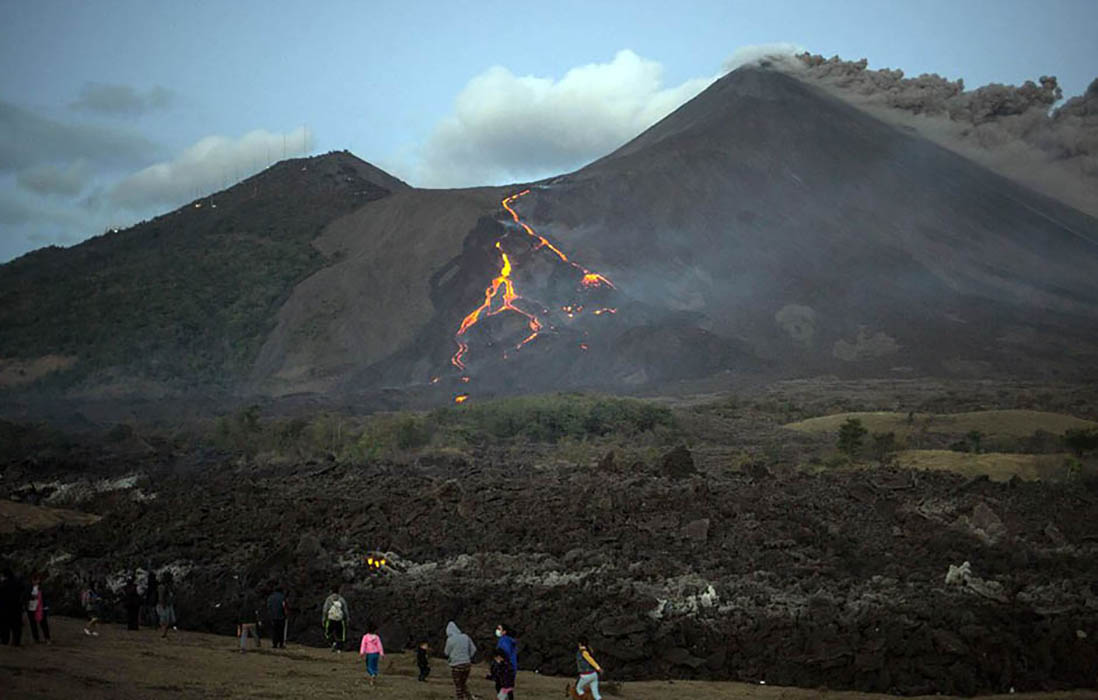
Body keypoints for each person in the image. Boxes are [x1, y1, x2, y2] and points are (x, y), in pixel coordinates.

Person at [445, 620, 477, 700]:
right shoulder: (465, 637)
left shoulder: (450, 640)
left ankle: (461, 698)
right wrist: (468, 657)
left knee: (458, 685)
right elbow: (474, 649)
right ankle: (469, 697)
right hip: (467, 664)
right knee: (463, 683)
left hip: (456, 665)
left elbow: (446, 652)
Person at [0, 567, 26, 646]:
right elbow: (23, 589)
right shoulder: (17, 582)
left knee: (5, 626)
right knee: (16, 626)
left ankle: (5, 641)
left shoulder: (4, 584)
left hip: (5, 608)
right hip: (17, 607)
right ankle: (16, 642)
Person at [321, 585, 349, 652]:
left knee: (329, 633)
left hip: (331, 619)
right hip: (339, 620)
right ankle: (338, 647)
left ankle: (332, 643)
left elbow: (325, 610)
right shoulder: (341, 599)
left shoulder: (329, 599)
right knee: (340, 634)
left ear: (331, 591)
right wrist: (347, 619)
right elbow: (345, 610)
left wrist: (324, 618)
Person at [26, 573, 51, 643]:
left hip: (40, 607)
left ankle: (47, 638)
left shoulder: (42, 588)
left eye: (36, 580)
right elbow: (26, 596)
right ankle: (36, 638)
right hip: (31, 607)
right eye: (34, 580)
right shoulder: (29, 587)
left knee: (43, 623)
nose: (35, 581)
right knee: (33, 624)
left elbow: (46, 596)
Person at [358, 620, 384, 686]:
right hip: (376, 653)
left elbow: (363, 645)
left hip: (370, 654)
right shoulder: (377, 637)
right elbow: (379, 645)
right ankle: (375, 674)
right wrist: (381, 653)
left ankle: (372, 674)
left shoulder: (365, 637)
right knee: (375, 665)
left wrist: (361, 653)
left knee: (369, 666)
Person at [496, 623, 518, 695]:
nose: (497, 631)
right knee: (508, 688)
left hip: (506, 667)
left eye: (499, 629)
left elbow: (505, 653)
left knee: (503, 688)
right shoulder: (508, 640)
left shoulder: (504, 640)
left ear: (504, 631)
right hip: (510, 667)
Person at [266, 583, 288, 648]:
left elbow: (268, 607)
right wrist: (286, 614)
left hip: (273, 617)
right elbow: (284, 607)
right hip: (281, 617)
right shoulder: (282, 597)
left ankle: (274, 644)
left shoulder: (271, 597)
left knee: (274, 631)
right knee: (281, 631)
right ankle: (281, 644)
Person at [156, 572, 177, 638]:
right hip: (164, 605)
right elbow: (162, 597)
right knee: (165, 620)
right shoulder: (163, 587)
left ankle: (164, 633)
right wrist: (163, 604)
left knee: (169, 620)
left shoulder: (168, 587)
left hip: (167, 604)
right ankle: (163, 633)